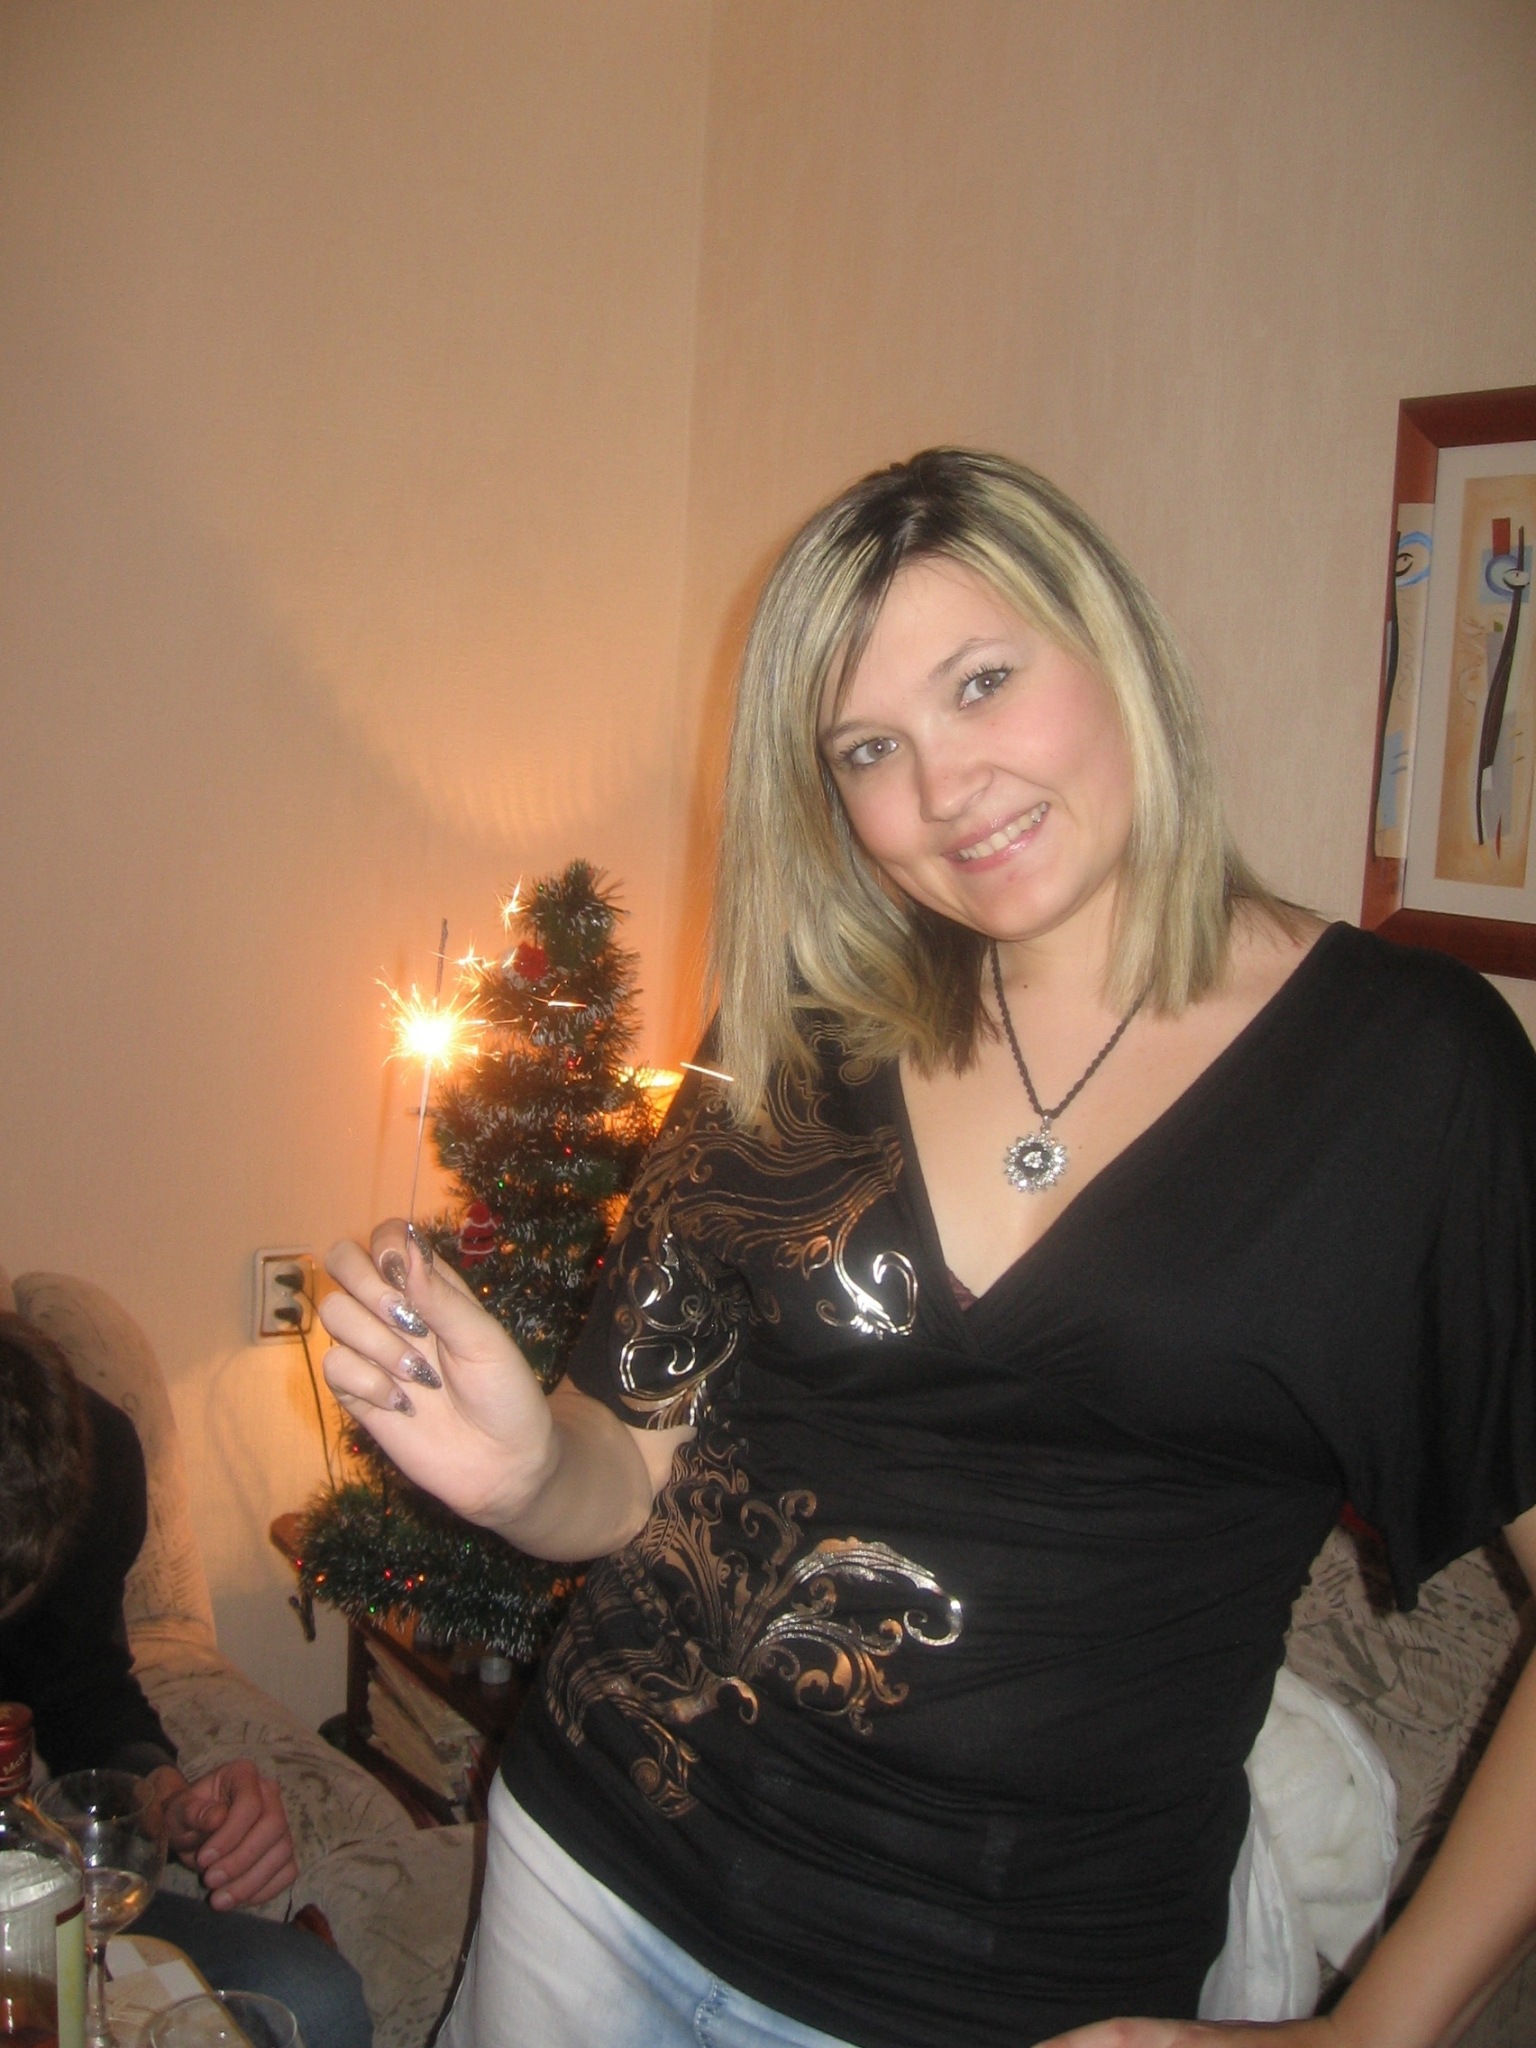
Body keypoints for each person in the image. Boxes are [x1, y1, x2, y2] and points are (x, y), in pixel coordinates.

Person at [320, 448, 1536, 2048]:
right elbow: (624, 1467)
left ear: (1114, 647)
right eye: (870, 748)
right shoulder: (800, 1028)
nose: (945, 790)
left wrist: (1377, 2032)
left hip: (998, 1991)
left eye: (983, 683)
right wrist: (524, 1473)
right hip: (596, 1874)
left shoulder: (1409, 1078)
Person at [0, 1312, 374, 2048]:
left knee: (315, 2000)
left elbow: (82, 1690)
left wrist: (169, 1803)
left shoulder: (91, 1460)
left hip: (33, 1887)